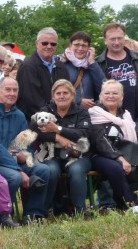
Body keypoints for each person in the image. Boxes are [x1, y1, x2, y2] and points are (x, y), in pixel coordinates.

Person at [0, 78, 54, 223]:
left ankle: (33, 215)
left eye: (15, 90)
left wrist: (25, 155)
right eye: (8, 90)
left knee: (42, 170)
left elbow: (26, 143)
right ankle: (0, 217)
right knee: (15, 177)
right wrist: (18, 169)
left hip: (14, 160)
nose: (12, 93)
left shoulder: (19, 115)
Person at [28, 79, 94, 217]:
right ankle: (43, 212)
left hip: (77, 154)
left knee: (76, 170)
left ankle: (80, 211)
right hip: (52, 155)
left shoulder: (82, 112)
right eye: (58, 93)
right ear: (53, 96)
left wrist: (58, 129)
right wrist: (58, 138)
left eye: (65, 93)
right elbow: (34, 129)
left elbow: (84, 133)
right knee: (50, 170)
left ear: (73, 95)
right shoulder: (46, 110)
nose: (62, 96)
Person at [89, 80, 138, 212]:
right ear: (101, 95)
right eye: (107, 93)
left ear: (122, 96)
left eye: (115, 93)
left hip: (127, 151)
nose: (111, 96)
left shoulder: (125, 114)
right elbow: (100, 141)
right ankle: (129, 204)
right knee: (117, 167)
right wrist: (120, 158)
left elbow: (137, 136)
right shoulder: (94, 113)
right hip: (101, 155)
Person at [95, 22, 138, 121]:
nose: (117, 42)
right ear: (105, 40)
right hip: (109, 118)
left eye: (120, 38)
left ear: (124, 38)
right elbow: (95, 91)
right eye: (112, 39)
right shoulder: (98, 63)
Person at [16, 28, 70, 120]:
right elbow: (32, 100)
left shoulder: (61, 67)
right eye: (45, 43)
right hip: (36, 120)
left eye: (53, 44)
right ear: (37, 44)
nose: (49, 46)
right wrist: (51, 117)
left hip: (59, 118)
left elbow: (67, 93)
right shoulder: (28, 67)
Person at [60, 31, 104, 110]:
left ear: (89, 48)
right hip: (68, 111)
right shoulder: (61, 64)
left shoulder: (93, 65)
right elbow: (56, 90)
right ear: (70, 45)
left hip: (89, 112)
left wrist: (92, 62)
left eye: (84, 45)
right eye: (76, 45)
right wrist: (78, 100)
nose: (80, 48)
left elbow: (103, 88)